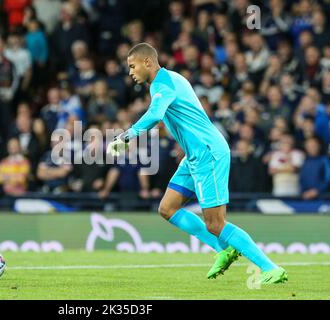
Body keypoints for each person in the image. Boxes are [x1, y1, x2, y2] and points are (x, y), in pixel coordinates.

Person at [107, 43, 287, 284]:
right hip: (194, 156)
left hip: (207, 153)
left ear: (147, 62)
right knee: (167, 208)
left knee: (215, 223)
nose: (130, 72)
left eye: (132, 66)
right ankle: (222, 249)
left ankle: (270, 268)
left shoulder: (163, 83)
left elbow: (155, 114)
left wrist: (125, 136)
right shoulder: (172, 79)